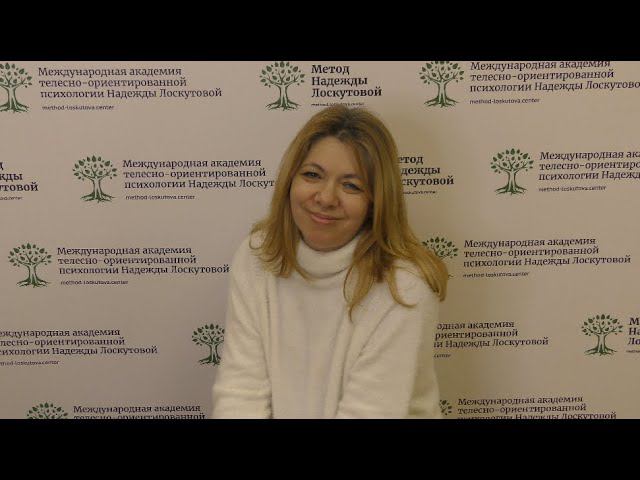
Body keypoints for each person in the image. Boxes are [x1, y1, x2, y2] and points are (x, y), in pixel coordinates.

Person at [211, 105, 448, 419]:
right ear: (290, 179)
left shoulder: (403, 287)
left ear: (375, 201)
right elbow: (240, 392)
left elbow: (368, 414)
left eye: (351, 185)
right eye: (312, 175)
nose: (325, 198)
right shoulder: (258, 255)